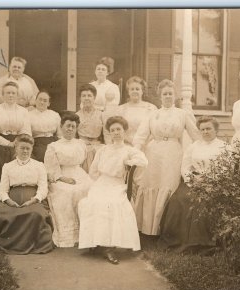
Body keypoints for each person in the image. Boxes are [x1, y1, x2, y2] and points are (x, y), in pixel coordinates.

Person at [132, 79, 200, 235]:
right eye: (165, 94)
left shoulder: (183, 114)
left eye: (170, 93)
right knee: (151, 185)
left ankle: (167, 231)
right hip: (153, 154)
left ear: (175, 95)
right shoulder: (152, 114)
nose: (168, 96)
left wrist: (200, 152)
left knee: (169, 185)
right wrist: (135, 152)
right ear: (160, 96)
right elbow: (141, 136)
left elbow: (195, 135)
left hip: (173, 153)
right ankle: (148, 229)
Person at [78, 116, 148, 264]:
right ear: (109, 133)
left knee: (114, 205)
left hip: (117, 185)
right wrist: (98, 184)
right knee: (93, 202)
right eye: (112, 130)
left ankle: (109, 247)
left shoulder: (129, 150)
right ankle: (96, 241)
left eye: (119, 129)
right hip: (102, 183)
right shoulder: (103, 150)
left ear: (124, 131)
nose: (116, 133)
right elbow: (94, 171)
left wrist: (128, 162)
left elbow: (143, 160)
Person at [159, 116, 226, 251]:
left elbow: (225, 169)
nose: (205, 132)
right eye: (203, 129)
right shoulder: (193, 146)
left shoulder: (224, 147)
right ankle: (177, 240)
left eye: (209, 129)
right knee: (178, 199)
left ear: (216, 130)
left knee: (200, 202)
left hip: (215, 182)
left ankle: (200, 243)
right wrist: (192, 180)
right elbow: (186, 166)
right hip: (193, 181)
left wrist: (209, 180)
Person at [0, 134, 53, 254]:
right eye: (22, 148)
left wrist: (35, 199)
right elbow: (2, 190)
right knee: (1, 214)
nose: (25, 151)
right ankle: (10, 244)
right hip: (12, 197)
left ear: (31, 149)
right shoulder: (8, 166)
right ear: (16, 148)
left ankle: (33, 244)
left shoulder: (39, 166)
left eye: (28, 148)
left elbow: (43, 188)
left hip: (32, 197)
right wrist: (8, 201)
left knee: (36, 214)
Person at [44, 112, 92, 247]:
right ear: (61, 127)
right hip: (60, 176)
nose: (70, 129)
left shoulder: (81, 144)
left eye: (73, 126)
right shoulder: (54, 146)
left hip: (79, 173)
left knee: (90, 189)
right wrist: (64, 178)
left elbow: (83, 164)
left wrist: (83, 177)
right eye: (68, 126)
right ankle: (69, 235)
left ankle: (88, 232)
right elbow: (50, 169)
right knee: (67, 192)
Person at [0, 81, 31, 207]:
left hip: (18, 142)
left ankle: (19, 198)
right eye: (8, 93)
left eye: (13, 93)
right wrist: (8, 143)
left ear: (17, 95)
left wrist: (17, 143)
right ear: (2, 95)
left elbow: (26, 131)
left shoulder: (23, 111)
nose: (10, 95)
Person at [117, 76, 157, 145]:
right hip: (126, 144)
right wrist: (131, 142)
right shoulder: (121, 109)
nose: (134, 91)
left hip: (146, 145)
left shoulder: (151, 108)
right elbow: (117, 129)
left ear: (142, 91)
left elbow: (155, 130)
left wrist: (143, 143)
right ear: (128, 92)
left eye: (137, 89)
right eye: (132, 89)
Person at [76, 84, 103, 173]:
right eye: (84, 96)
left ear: (94, 97)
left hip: (97, 145)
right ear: (80, 98)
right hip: (81, 144)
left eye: (89, 95)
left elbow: (106, 134)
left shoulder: (101, 114)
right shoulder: (77, 115)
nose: (86, 98)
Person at [29, 90, 62, 162]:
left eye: (45, 100)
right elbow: (28, 134)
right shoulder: (29, 115)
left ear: (49, 103)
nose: (42, 102)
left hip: (53, 141)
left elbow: (60, 134)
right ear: (35, 100)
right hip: (37, 142)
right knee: (43, 155)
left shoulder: (54, 115)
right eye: (40, 99)